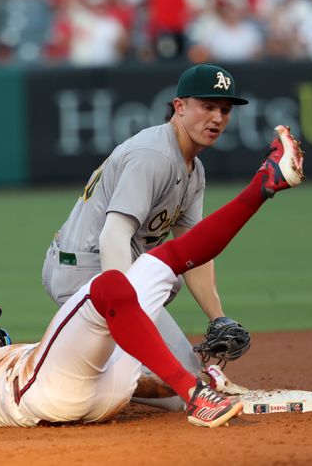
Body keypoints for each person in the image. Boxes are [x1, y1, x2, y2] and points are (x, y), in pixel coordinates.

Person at [0, 126, 304, 429]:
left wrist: (172, 380)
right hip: (44, 395)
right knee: (109, 286)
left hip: (99, 392)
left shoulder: (14, 350)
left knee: (165, 257)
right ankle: (196, 396)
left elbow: (140, 388)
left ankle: (264, 185)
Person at [41, 62, 248, 410]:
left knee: (185, 378)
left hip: (107, 268)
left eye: (224, 110)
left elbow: (193, 252)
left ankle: (102, 365)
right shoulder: (154, 155)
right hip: (84, 269)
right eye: (207, 106)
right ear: (179, 107)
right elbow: (113, 237)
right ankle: (79, 378)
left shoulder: (193, 169)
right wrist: (128, 316)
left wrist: (217, 316)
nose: (217, 118)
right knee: (178, 391)